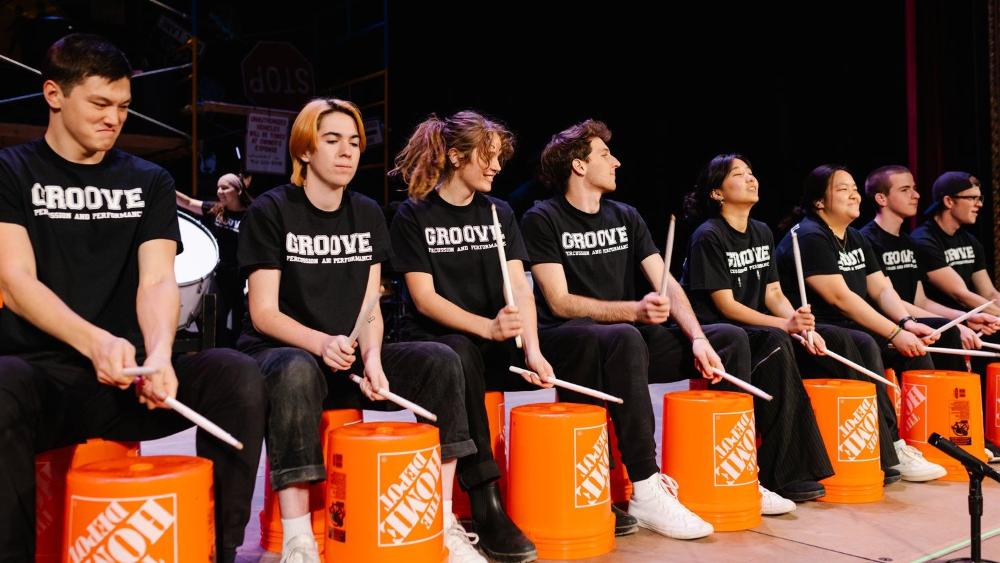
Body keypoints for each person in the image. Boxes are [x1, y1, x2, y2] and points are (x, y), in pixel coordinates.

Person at [0, 33, 266, 562]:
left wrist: (162, 354)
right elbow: (15, 280)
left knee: (236, 373)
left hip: (131, 380)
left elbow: (157, 280)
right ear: (54, 94)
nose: (114, 118)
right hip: (44, 380)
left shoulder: (149, 180)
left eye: (122, 106)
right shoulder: (12, 171)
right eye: (99, 103)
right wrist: (95, 342)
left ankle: (220, 550)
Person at [238, 99, 481, 563]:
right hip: (285, 348)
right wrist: (319, 343)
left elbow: (371, 307)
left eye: (353, 142)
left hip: (350, 351)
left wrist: (372, 358)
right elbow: (263, 312)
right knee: (294, 371)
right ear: (305, 150)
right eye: (332, 141)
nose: (346, 152)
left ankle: (443, 521)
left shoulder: (367, 213)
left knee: (441, 360)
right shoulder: (272, 210)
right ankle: (297, 537)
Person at [521, 120, 783, 541]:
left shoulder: (626, 215)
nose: (617, 161)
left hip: (626, 339)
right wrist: (635, 310)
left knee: (727, 338)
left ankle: (732, 471)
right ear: (579, 166)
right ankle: (645, 487)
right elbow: (559, 300)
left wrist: (698, 338)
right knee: (626, 335)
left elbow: (668, 284)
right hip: (569, 340)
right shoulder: (542, 218)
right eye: (605, 154)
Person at [389, 110, 546, 562]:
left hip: (491, 342)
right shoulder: (414, 213)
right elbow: (424, 298)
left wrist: (533, 350)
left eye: (499, 157)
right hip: (437, 342)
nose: (497, 167)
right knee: (457, 353)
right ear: (456, 157)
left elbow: (519, 286)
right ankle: (485, 503)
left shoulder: (499, 212)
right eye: (487, 157)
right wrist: (485, 326)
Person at [774, 164, 946, 482]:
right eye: (842, 189)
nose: (853, 194)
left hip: (849, 327)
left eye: (854, 187)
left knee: (919, 345)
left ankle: (926, 439)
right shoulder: (809, 235)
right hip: (815, 331)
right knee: (866, 341)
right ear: (819, 202)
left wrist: (907, 324)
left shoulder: (854, 236)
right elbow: (841, 298)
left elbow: (880, 288)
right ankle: (889, 448)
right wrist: (894, 332)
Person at [681, 153, 835, 502]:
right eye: (739, 174)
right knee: (778, 340)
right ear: (717, 193)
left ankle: (788, 469)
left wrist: (801, 324)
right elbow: (726, 305)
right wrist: (784, 324)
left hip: (757, 328)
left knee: (789, 341)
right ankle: (779, 471)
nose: (752, 179)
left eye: (752, 173)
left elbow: (775, 293)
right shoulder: (708, 235)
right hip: (716, 329)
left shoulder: (762, 231)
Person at [911, 170, 1000, 460]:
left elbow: (987, 292)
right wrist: (978, 318)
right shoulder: (924, 240)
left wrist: (997, 313)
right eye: (972, 198)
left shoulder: (970, 241)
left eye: (980, 197)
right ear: (949, 201)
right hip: (945, 318)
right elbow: (961, 294)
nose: (979, 204)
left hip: (976, 317)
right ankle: (977, 432)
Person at [176, 172, 252, 346]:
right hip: (220, 276)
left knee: (241, 322)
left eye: (225, 187)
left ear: (238, 190)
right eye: (218, 187)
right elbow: (187, 202)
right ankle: (219, 354)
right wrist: (165, 189)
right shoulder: (216, 210)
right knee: (217, 319)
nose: (219, 191)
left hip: (241, 277)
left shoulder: (251, 214)